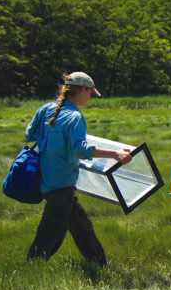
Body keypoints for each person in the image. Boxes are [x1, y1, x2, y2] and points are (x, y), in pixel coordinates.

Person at [25, 72, 131, 266]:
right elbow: (80, 150)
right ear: (82, 90)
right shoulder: (75, 117)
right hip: (61, 184)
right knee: (48, 235)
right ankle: (31, 269)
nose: (90, 98)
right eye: (90, 93)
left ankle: (100, 266)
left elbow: (29, 134)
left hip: (45, 181)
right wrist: (115, 154)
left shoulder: (45, 109)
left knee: (82, 227)